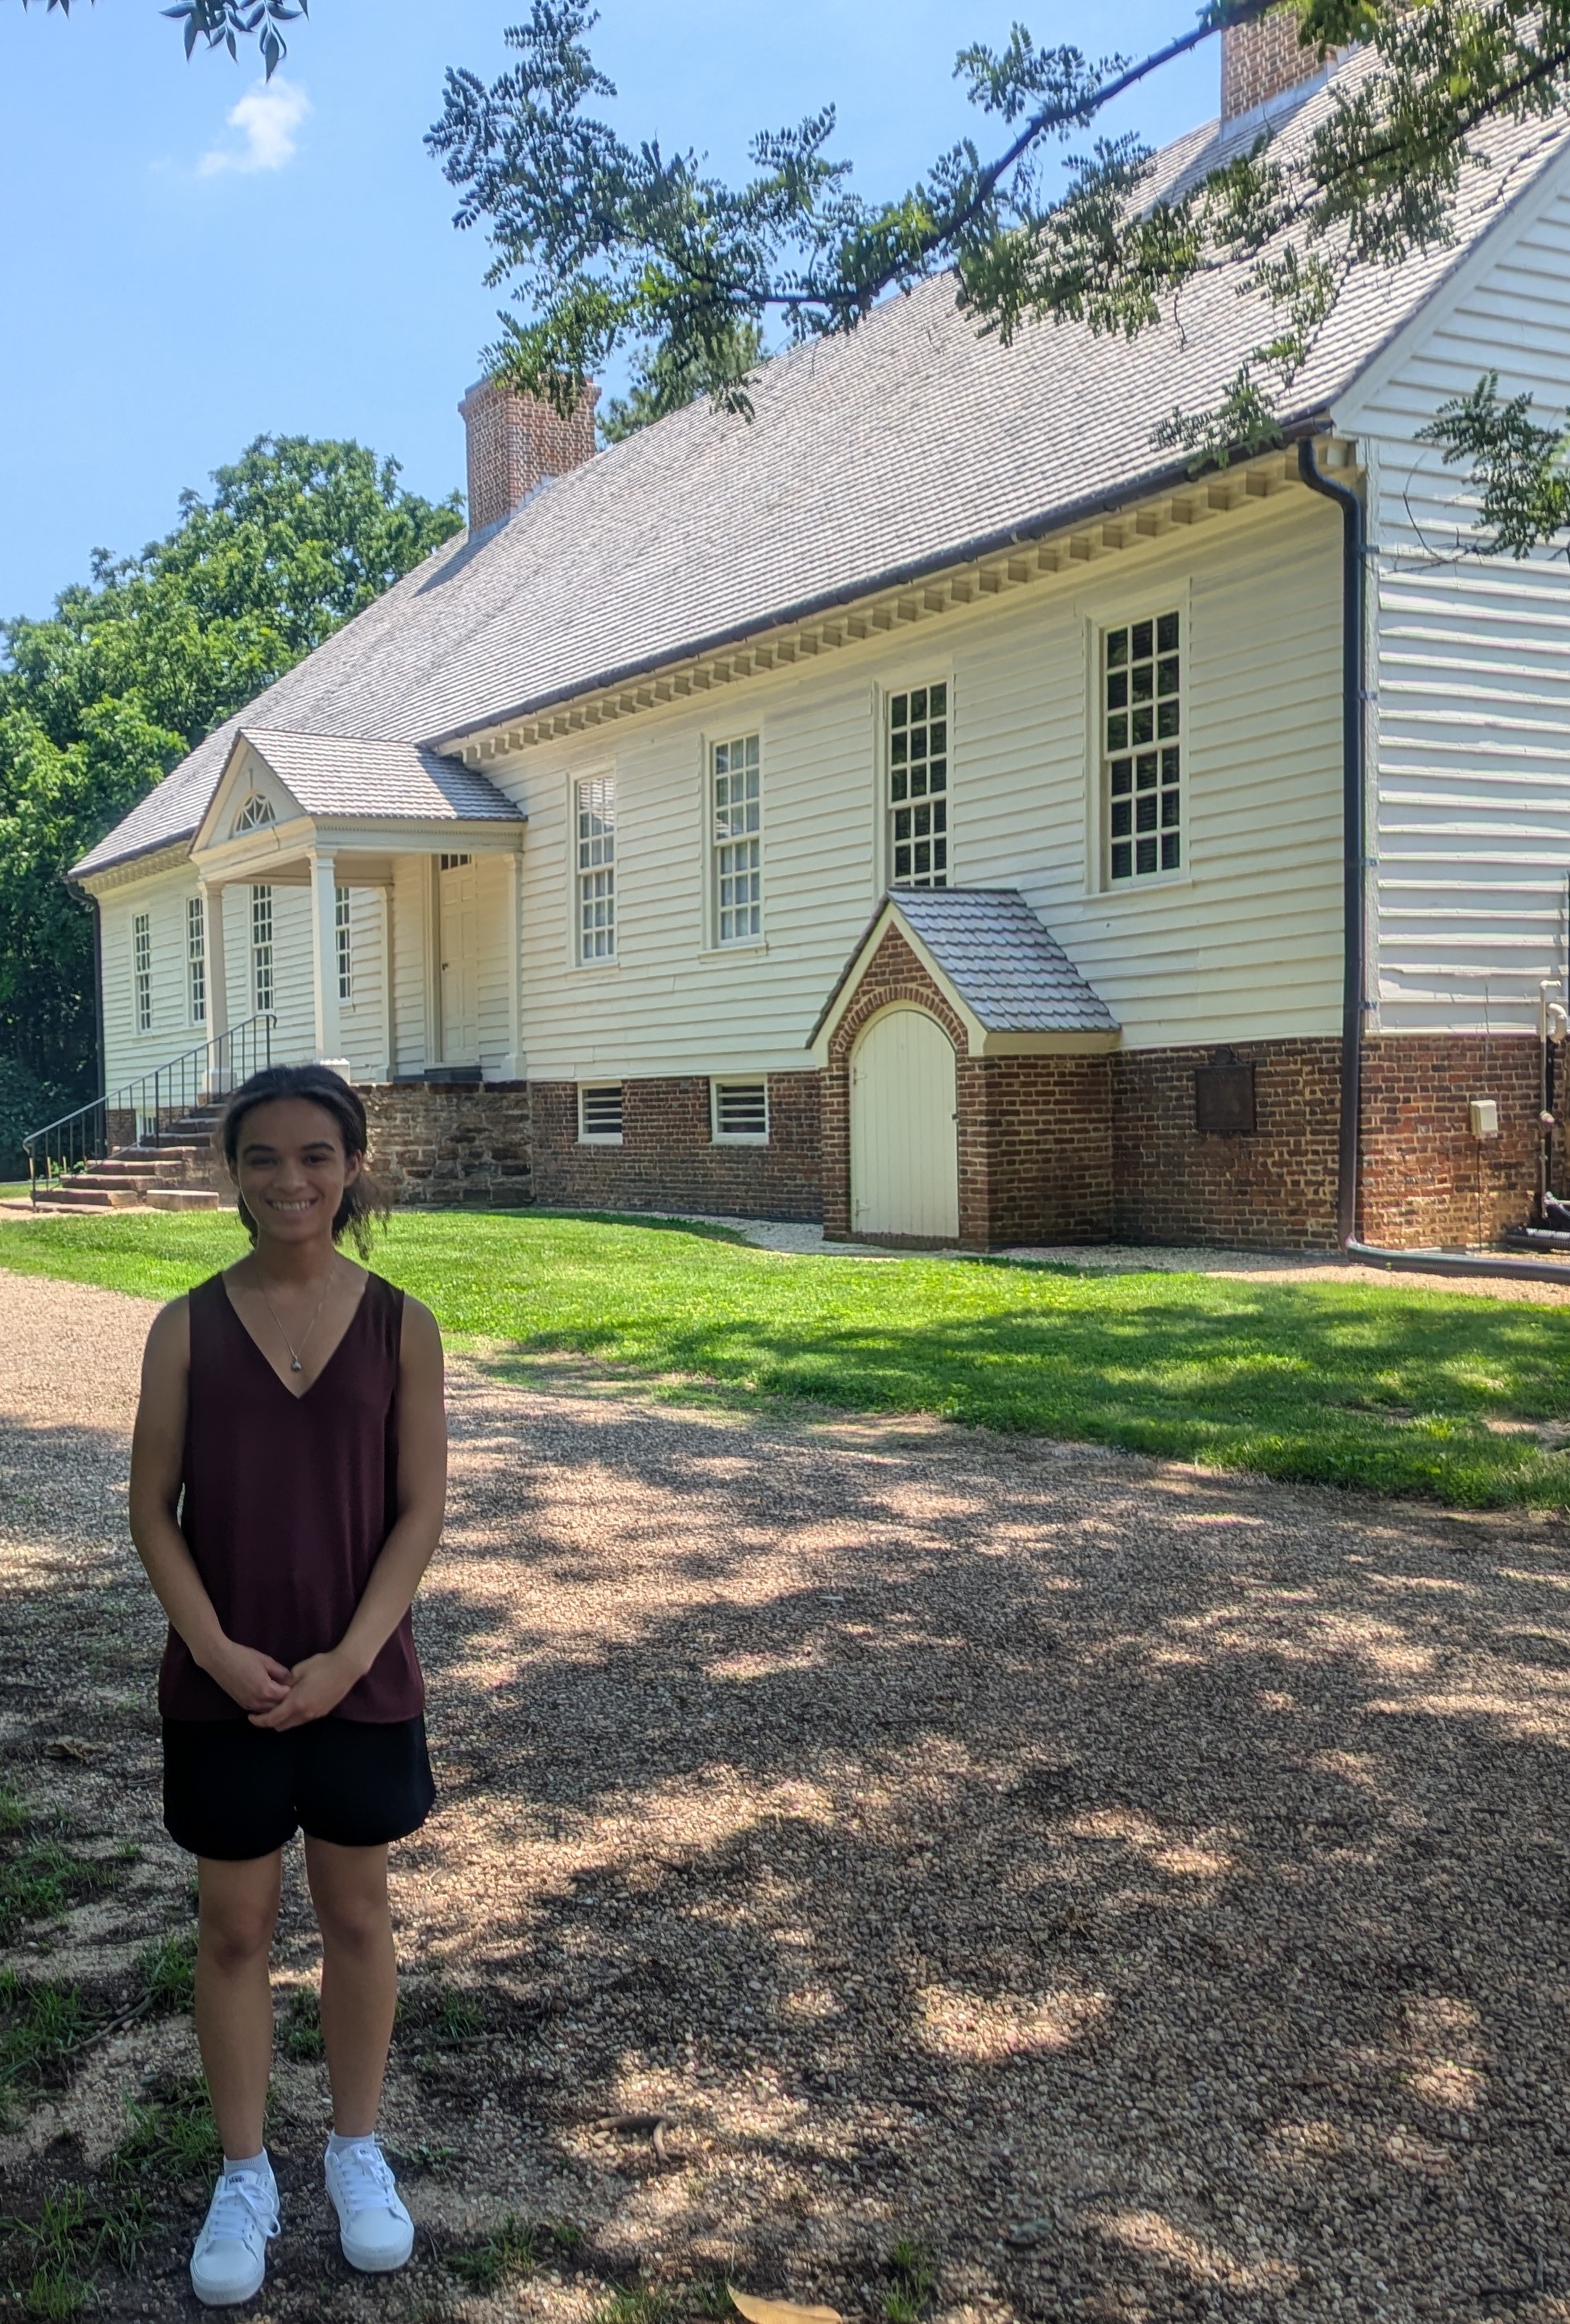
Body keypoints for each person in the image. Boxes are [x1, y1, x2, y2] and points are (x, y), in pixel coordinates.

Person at [128, 1063, 447, 2309]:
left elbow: (420, 1511)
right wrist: (210, 1646)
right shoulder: (186, 1325)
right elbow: (152, 1508)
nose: (289, 1180)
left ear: (353, 1164)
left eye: (315, 1155)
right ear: (234, 1174)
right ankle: (246, 2169)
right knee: (235, 1928)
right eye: (262, 1157)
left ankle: (355, 2151)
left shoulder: (401, 1324)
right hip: (228, 1682)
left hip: (359, 1677)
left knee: (358, 1916)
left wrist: (351, 1657)